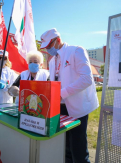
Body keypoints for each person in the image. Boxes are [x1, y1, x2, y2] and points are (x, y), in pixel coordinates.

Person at [40, 28, 99, 163]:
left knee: (78, 148)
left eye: (49, 46)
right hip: (59, 106)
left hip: (77, 106)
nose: (48, 49)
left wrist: (62, 93)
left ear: (58, 40)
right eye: (46, 47)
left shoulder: (76, 50)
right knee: (65, 146)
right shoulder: (51, 61)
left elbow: (86, 79)